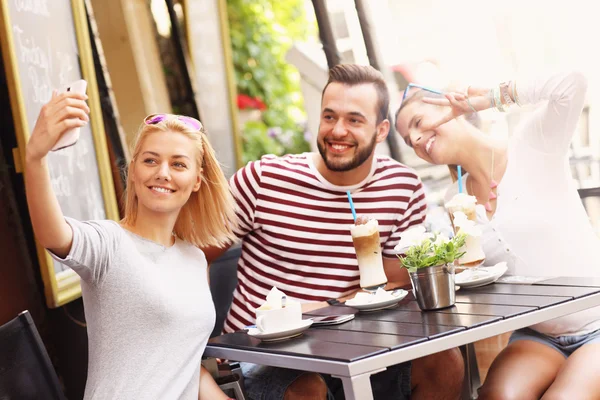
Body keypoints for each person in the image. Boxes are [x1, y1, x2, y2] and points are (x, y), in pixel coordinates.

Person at [205, 64, 464, 400]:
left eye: (354, 120)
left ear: (381, 129)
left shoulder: (402, 187)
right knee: (308, 390)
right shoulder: (263, 180)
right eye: (329, 117)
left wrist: (330, 305)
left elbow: (396, 280)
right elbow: (197, 254)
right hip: (266, 354)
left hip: (361, 346)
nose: (338, 130)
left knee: (445, 364)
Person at [395, 70, 600, 399]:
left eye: (418, 122)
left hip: (597, 322)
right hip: (539, 335)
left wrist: (489, 98)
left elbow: (573, 80)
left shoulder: (532, 145)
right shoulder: (455, 201)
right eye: (409, 139)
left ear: (450, 105)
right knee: (498, 396)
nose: (416, 140)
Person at [25, 91, 239, 399]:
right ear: (134, 172)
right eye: (151, 160)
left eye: (178, 164)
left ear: (196, 180)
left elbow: (187, 366)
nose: (162, 173)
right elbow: (53, 234)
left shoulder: (194, 258)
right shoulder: (109, 243)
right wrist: (35, 157)